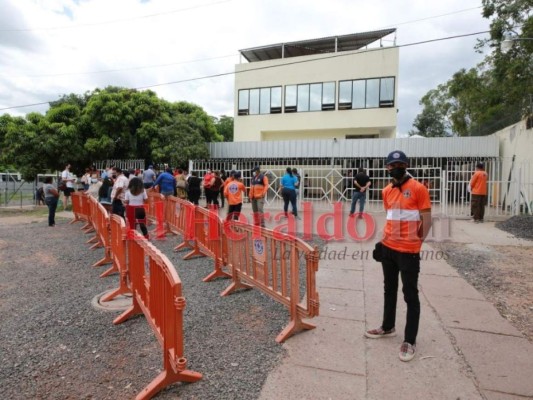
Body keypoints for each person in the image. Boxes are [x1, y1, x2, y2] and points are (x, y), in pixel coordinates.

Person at [365, 150, 432, 363]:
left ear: (406, 165)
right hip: (388, 248)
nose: (396, 167)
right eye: (392, 165)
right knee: (389, 289)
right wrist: (386, 242)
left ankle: (410, 340)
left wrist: (417, 242)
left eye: (400, 164)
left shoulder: (419, 188)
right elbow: (391, 217)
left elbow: (427, 220)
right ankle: (387, 326)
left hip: (409, 252)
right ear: (387, 168)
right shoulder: (386, 191)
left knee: (410, 295)